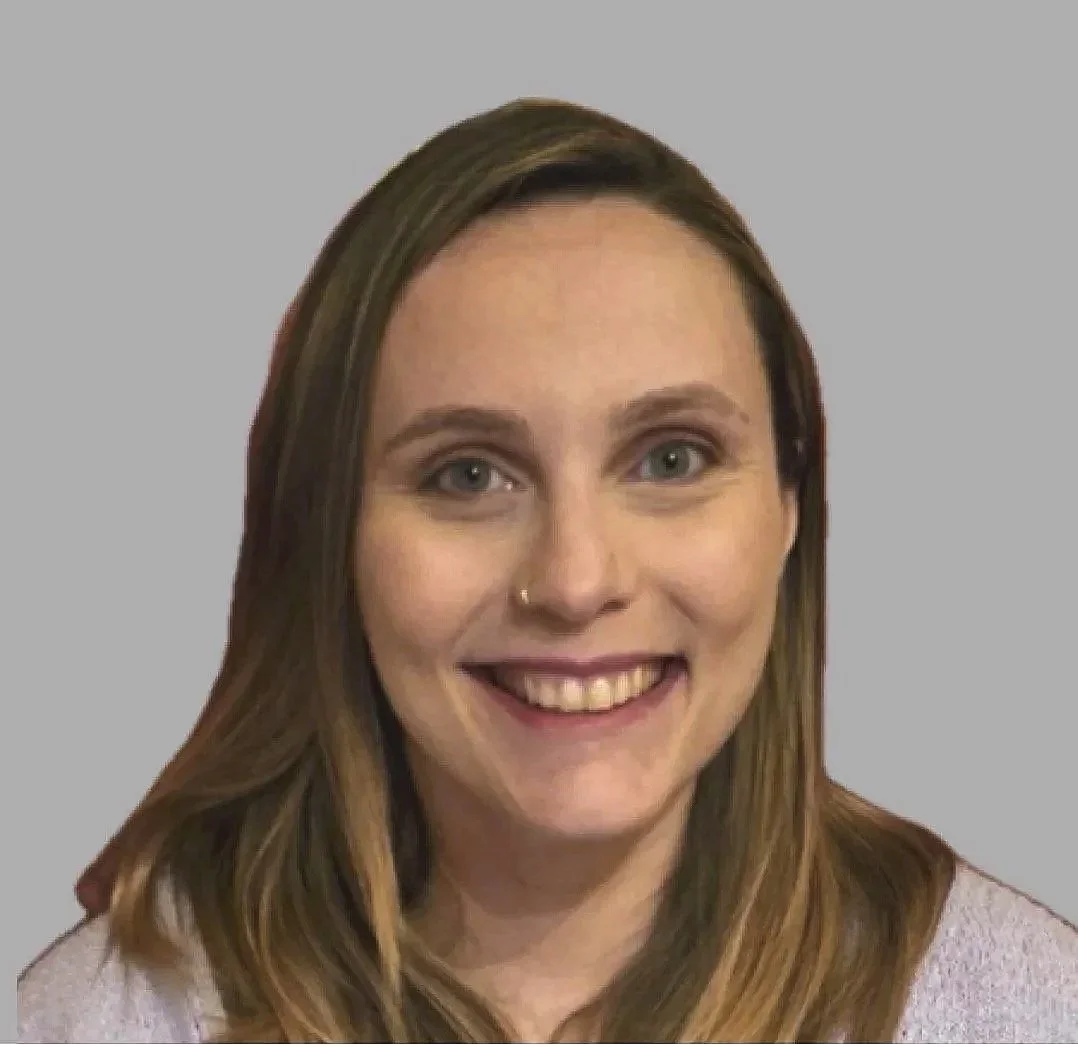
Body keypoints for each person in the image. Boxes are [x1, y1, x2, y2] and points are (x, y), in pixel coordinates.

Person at [17, 98, 1077, 1044]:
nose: (575, 580)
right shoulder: (97, 1021)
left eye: (671, 459)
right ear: (329, 535)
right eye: (468, 474)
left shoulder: (1026, 1013)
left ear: (789, 504)